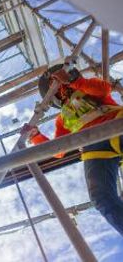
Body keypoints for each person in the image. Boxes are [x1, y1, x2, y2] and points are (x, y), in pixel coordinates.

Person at [28, 64, 123, 236]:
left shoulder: (86, 86)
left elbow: (104, 88)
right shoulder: (62, 119)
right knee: (101, 198)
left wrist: (73, 81)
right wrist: (36, 136)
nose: (60, 86)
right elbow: (59, 150)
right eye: (55, 84)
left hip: (116, 123)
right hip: (95, 148)